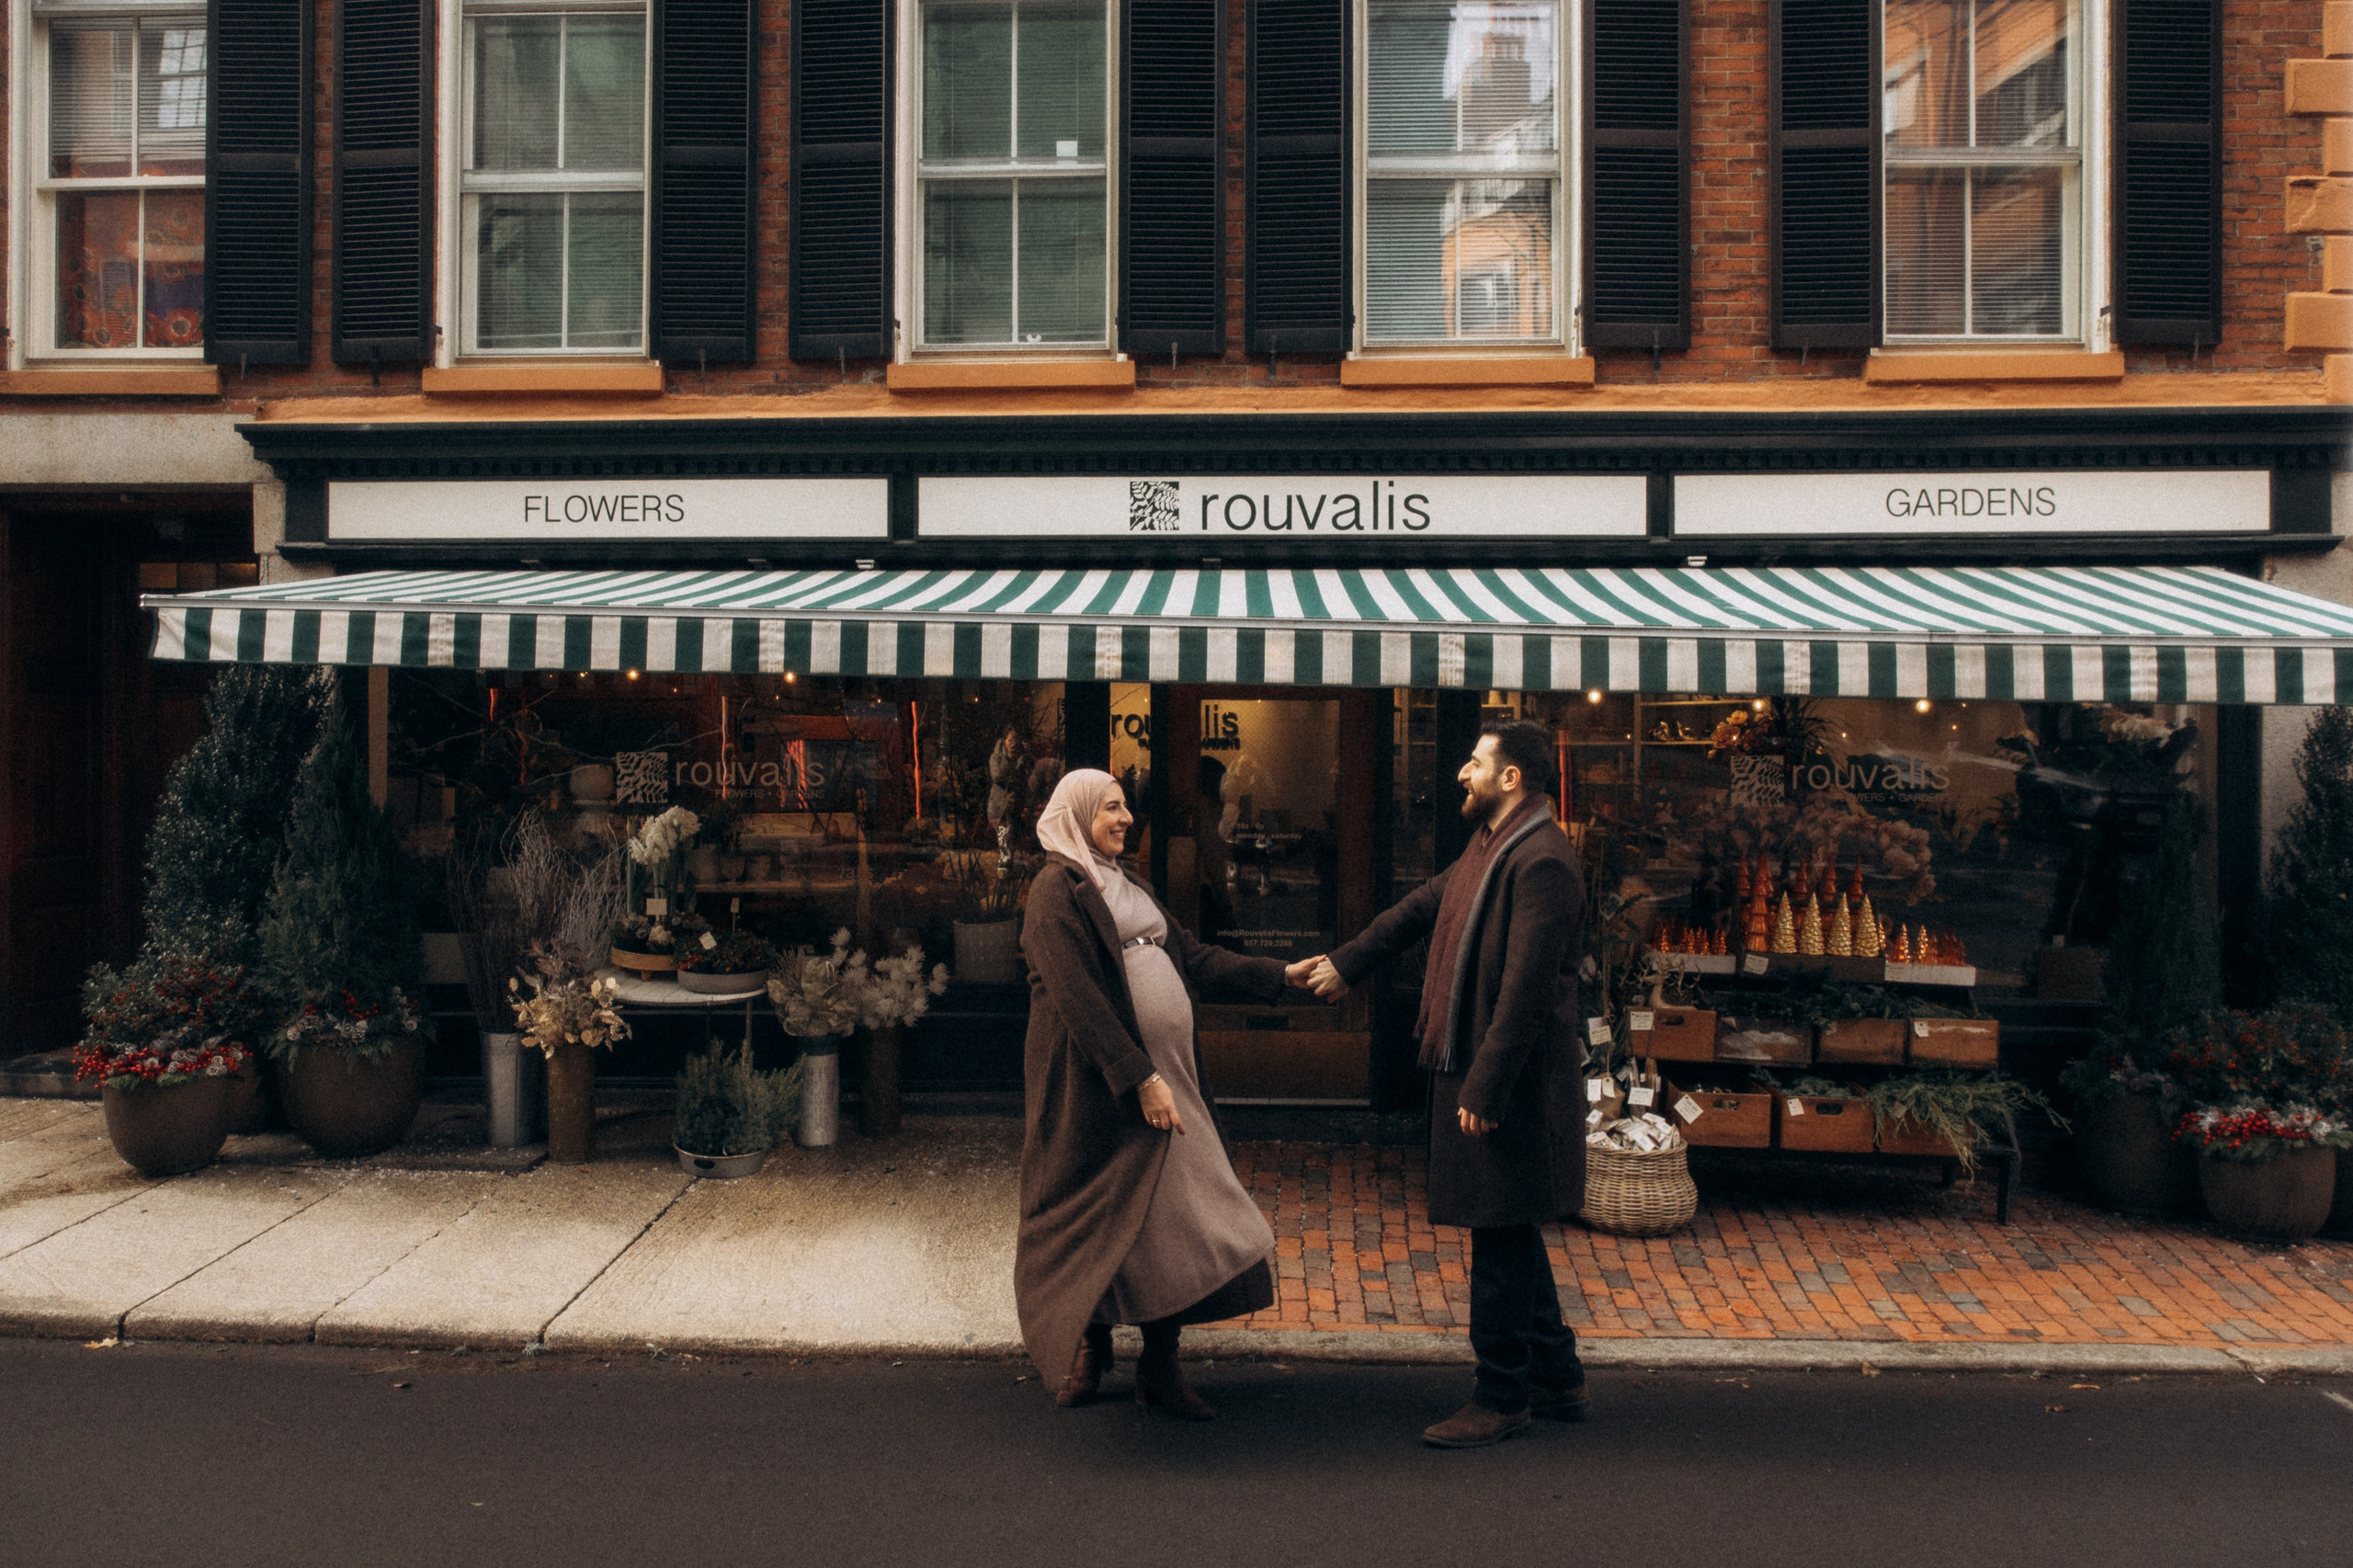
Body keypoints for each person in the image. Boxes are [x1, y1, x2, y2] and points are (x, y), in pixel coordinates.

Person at [1301, 720, 1588, 1448]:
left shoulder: (1542, 861)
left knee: (1498, 1231)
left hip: (1510, 1081)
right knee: (1510, 1219)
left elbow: (1524, 994)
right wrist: (1348, 962)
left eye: (1475, 761)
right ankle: (1555, 1374)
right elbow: (1424, 906)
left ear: (1512, 778)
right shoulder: (1491, 846)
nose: (1462, 772)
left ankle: (1501, 1395)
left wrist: (1485, 1089)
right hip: (1483, 1066)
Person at [1016, 767, 1317, 1419]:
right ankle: (1089, 1348)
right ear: (1076, 815)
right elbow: (1079, 999)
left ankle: (1160, 1363)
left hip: (1169, 1077)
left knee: (1173, 1215)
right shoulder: (1055, 889)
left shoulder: (1130, 885)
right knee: (1093, 1212)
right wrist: (1138, 1077)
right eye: (1109, 808)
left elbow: (1195, 959)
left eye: (1126, 807)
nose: (1125, 818)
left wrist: (1277, 974)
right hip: (1093, 1086)